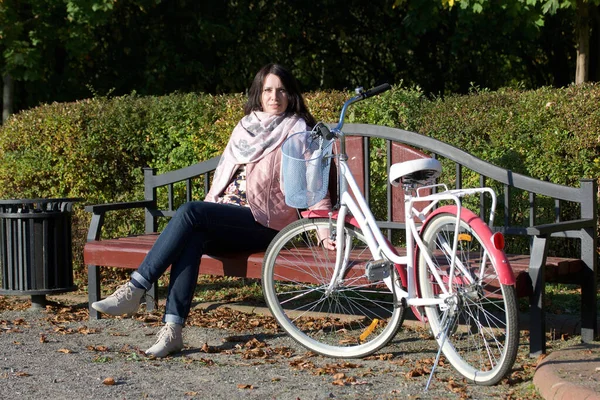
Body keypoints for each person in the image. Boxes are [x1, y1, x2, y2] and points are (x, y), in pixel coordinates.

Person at [91, 63, 332, 358]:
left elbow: (314, 186)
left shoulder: (299, 133)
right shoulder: (245, 128)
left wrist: (323, 231)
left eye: (281, 89)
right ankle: (173, 330)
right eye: (268, 89)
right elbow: (221, 179)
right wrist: (206, 211)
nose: (274, 96)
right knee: (192, 235)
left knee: (191, 212)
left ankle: (135, 289)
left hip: (263, 223)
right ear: (258, 93)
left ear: (290, 93)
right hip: (226, 218)